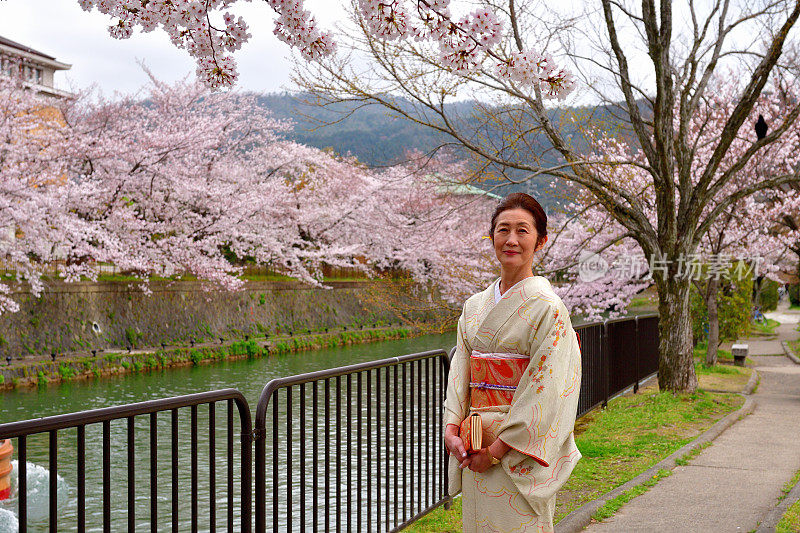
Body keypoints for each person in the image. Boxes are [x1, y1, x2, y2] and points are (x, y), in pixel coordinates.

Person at [443, 192, 582, 533]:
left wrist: (496, 450)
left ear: (541, 240)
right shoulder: (473, 307)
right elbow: (461, 371)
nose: (511, 240)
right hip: (473, 444)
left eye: (523, 231)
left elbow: (545, 391)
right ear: (492, 236)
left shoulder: (548, 308)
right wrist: (451, 429)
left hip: (511, 453)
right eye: (503, 230)